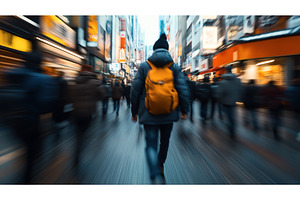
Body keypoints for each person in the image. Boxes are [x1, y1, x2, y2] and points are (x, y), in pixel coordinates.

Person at [130, 33, 190, 184]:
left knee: (150, 143)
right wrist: (184, 110)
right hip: (169, 112)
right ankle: (160, 164)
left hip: (148, 112)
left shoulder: (144, 67)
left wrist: (134, 111)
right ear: (168, 50)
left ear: (154, 50)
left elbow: (135, 90)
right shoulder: (174, 67)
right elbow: (183, 90)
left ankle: (154, 172)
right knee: (165, 141)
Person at [71, 64, 100, 167]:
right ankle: (79, 151)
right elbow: (102, 94)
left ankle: (76, 154)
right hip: (88, 112)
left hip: (76, 111)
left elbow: (70, 96)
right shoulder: (94, 82)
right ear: (91, 71)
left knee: (78, 134)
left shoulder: (75, 80)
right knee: (84, 134)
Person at [217, 65, 243, 139]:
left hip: (224, 101)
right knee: (232, 116)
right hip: (234, 101)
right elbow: (241, 90)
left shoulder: (222, 82)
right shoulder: (238, 80)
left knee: (228, 116)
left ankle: (230, 128)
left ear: (226, 70)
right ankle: (233, 129)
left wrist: (219, 99)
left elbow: (219, 93)